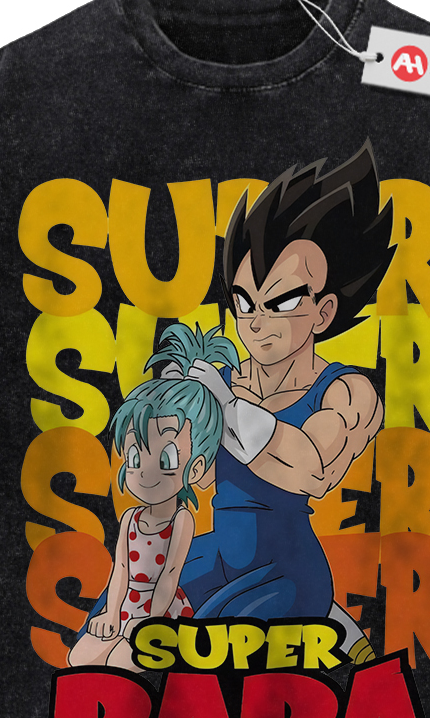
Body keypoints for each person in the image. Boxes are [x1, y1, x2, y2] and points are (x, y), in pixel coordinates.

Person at [175, 141, 393, 648]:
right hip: (213, 555)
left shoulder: (348, 390)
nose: (256, 321)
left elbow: (313, 469)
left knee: (200, 652)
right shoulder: (222, 381)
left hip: (286, 572)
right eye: (244, 302)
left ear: (324, 311)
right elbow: (192, 475)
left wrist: (226, 409)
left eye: (282, 302)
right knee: (116, 615)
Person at [67, 323, 239, 670]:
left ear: (195, 467)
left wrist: (148, 622)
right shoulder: (130, 518)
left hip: (163, 613)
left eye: (166, 458)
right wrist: (111, 613)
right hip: (126, 606)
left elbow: (170, 577)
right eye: (134, 456)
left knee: (120, 663)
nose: (145, 472)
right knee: (78, 658)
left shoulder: (182, 519)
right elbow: (120, 570)